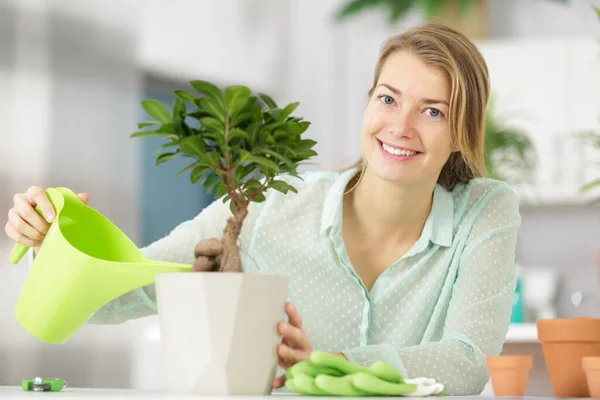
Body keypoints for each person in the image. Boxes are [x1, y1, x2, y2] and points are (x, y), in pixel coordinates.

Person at [5, 22, 521, 395]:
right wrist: (50, 240)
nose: (401, 125)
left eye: (432, 111)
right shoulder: (270, 205)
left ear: (461, 133)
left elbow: (469, 362)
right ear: (368, 105)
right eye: (388, 99)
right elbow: (115, 297)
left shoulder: (485, 212)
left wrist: (332, 363)